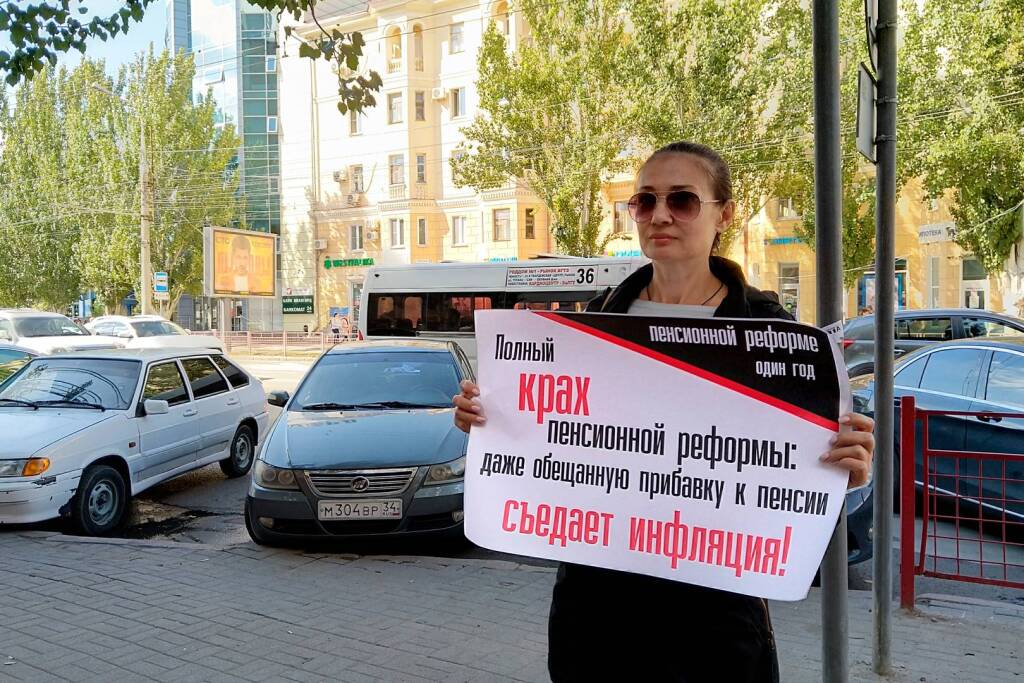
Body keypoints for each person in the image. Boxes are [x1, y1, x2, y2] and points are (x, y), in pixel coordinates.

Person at [453, 141, 875, 682]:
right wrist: (487, 418)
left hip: (716, 625)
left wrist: (842, 471)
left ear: (725, 213)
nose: (659, 216)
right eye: (644, 200)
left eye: (682, 200)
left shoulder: (774, 333)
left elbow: (793, 496)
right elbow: (552, 446)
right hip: (597, 618)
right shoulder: (592, 324)